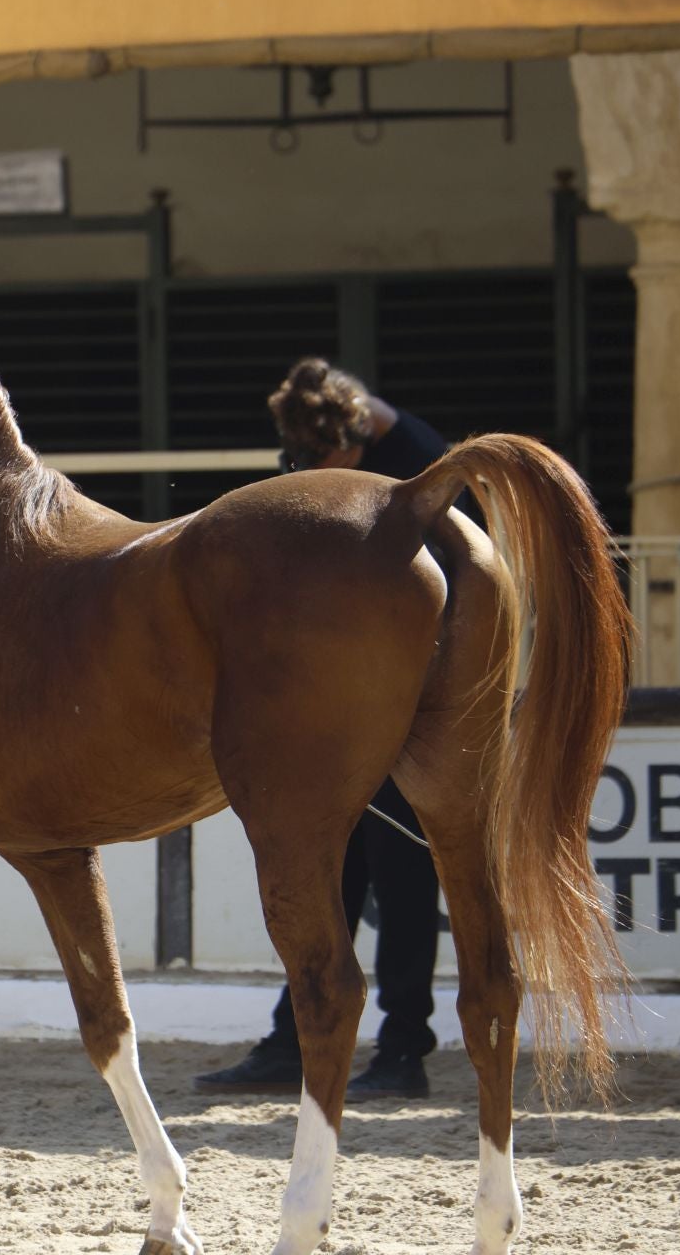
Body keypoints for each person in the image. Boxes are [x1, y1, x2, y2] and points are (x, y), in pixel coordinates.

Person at [194, 356, 460, 1102]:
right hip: (347, 705)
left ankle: (404, 1049)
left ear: (353, 436)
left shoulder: (421, 470)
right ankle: (293, 1036)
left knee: (405, 886)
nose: (313, 472)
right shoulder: (353, 447)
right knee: (328, 877)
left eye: (319, 460)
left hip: (409, 704)